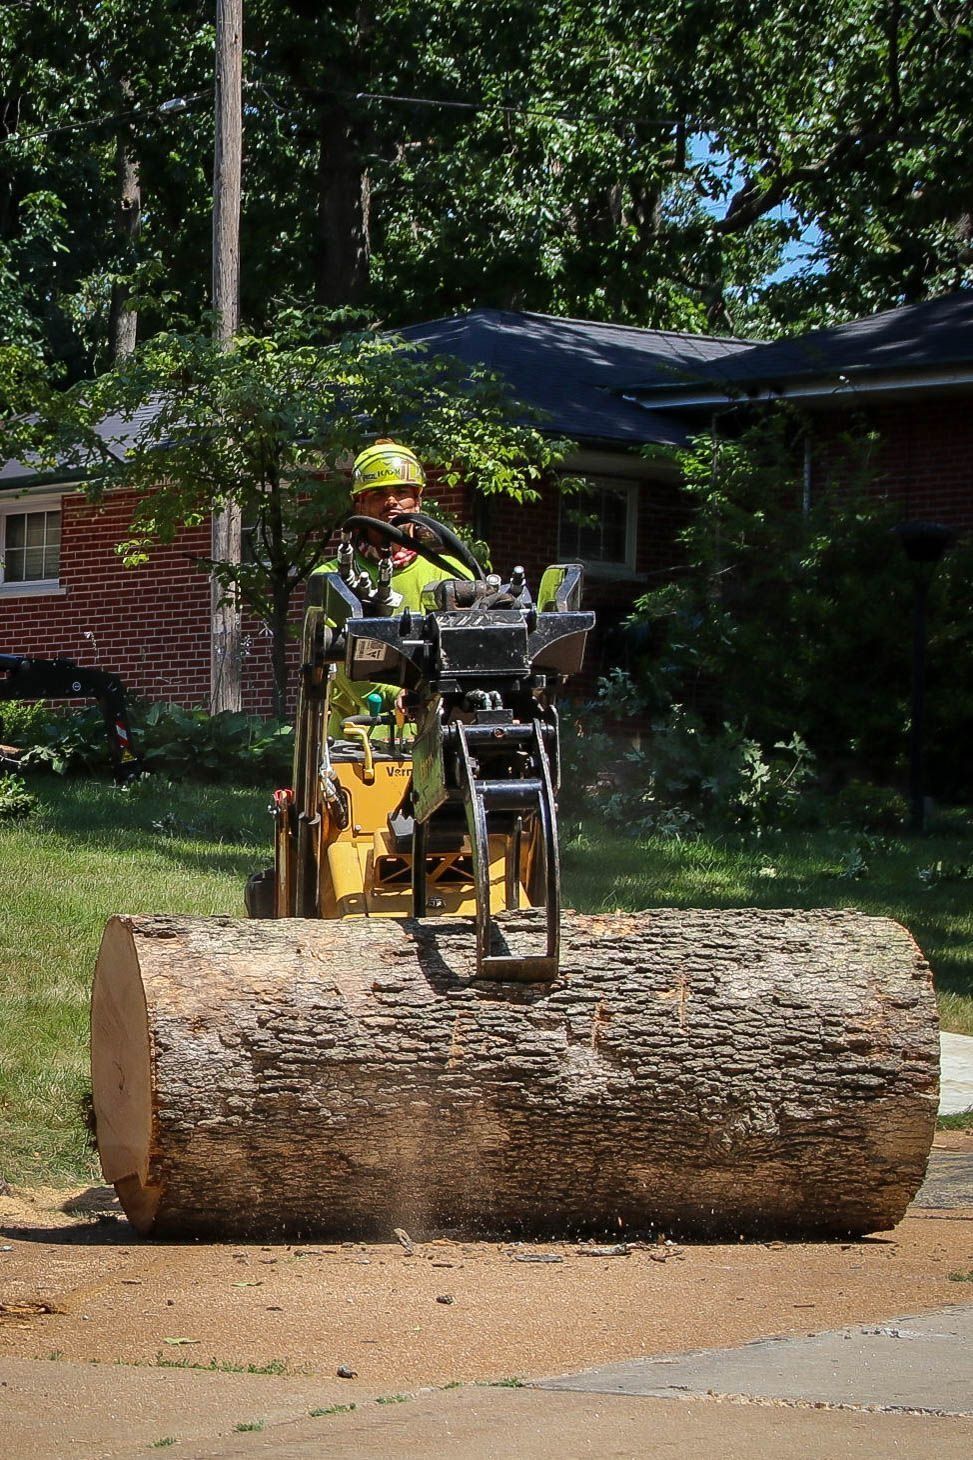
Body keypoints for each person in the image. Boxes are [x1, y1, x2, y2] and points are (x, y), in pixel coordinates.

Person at [313, 438, 473, 737]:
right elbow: (334, 658)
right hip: (360, 739)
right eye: (379, 494)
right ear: (359, 502)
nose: (392, 502)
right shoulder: (331, 578)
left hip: (444, 735)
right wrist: (395, 694)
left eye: (402, 492)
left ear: (418, 501)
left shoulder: (454, 573)